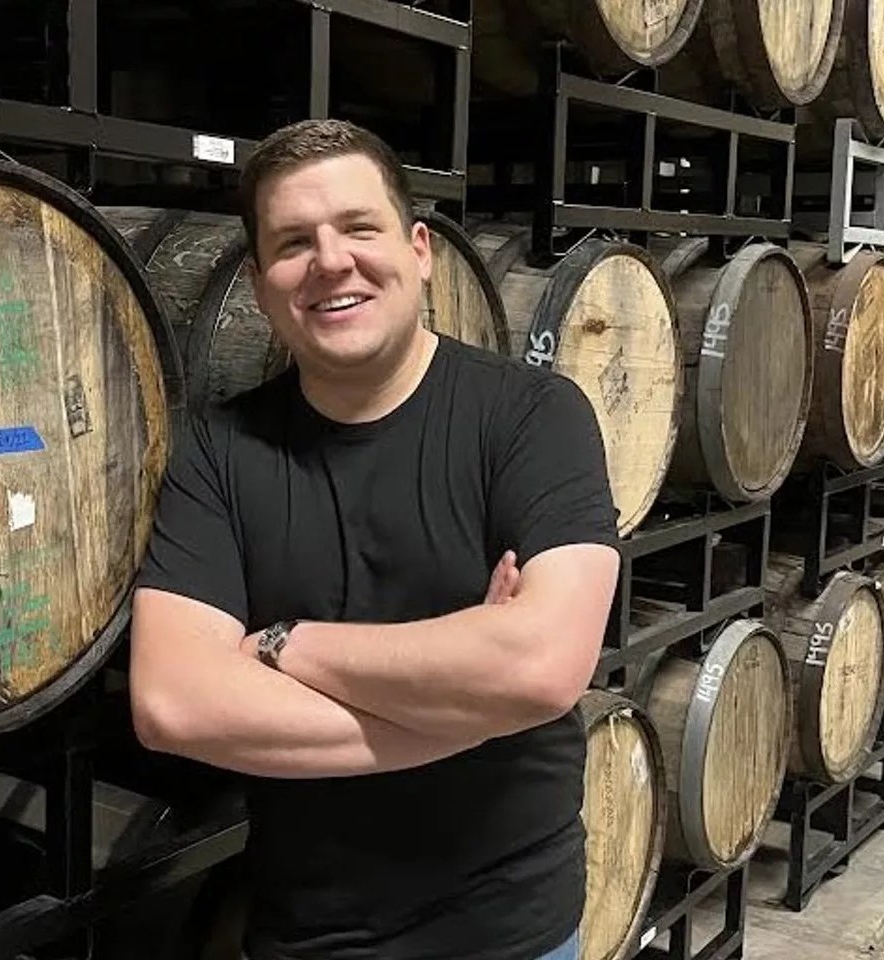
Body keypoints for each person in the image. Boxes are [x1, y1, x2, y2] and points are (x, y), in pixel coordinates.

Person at [129, 117, 621, 960]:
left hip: (511, 935)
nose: (330, 262)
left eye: (359, 228)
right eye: (293, 242)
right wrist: (466, 709)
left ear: (419, 248)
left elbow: (538, 667)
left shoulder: (533, 416)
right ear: (258, 281)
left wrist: (288, 645)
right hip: (310, 936)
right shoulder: (217, 450)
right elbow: (173, 701)